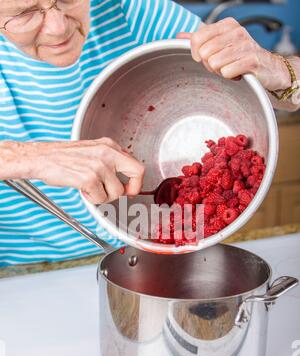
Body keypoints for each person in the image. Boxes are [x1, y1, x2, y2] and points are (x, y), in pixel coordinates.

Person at [0, 0, 299, 266]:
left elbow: (274, 80)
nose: (57, 27)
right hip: (23, 273)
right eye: (25, 13)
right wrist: (25, 155)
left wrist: (281, 70)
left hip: (140, 260)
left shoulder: (133, 11)